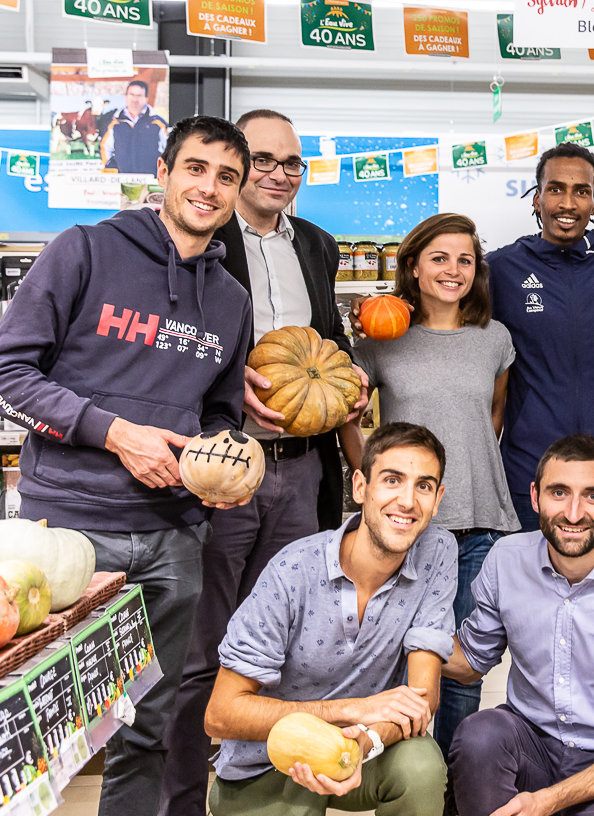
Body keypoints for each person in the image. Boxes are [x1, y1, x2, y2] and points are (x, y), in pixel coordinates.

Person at [0, 115, 254, 816]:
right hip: (69, 531)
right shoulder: (84, 251)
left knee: (148, 724)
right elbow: (10, 372)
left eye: (226, 177)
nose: (209, 188)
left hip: (174, 536)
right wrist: (114, 434)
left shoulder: (230, 300)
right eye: (196, 168)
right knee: (36, 731)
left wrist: (219, 465)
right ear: (163, 173)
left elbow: (220, 414)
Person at [161, 108, 369, 816]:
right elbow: (173, 340)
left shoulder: (316, 243)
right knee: (203, 650)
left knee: (282, 646)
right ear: (237, 167)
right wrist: (227, 379)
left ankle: (260, 797)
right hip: (221, 467)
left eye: (292, 163)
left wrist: (346, 373)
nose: (279, 174)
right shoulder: (202, 235)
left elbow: (328, 335)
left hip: (302, 468)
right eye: (264, 160)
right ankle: (182, 801)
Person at [351, 144, 594, 543]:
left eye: (581, 191)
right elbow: (443, 309)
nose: (567, 202)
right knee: (524, 583)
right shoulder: (503, 268)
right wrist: (377, 310)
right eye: (555, 189)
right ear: (536, 198)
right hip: (528, 474)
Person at [203, 422, 456, 816]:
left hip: (360, 747)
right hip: (271, 761)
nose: (407, 501)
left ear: (437, 499)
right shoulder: (292, 571)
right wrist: (352, 709)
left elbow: (421, 700)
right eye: (392, 480)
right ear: (360, 487)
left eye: (423, 486)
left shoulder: (437, 552)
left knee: (420, 765)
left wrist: (363, 744)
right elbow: (220, 715)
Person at [443, 434, 594, 816]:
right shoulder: (506, 560)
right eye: (559, 493)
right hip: (528, 744)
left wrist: (548, 801)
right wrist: (403, 632)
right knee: (479, 737)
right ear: (535, 496)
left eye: (593, 496)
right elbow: (471, 661)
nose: (573, 513)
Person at [351, 212, 519, 759]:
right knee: (399, 658)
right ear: (414, 267)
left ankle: (453, 782)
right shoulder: (381, 339)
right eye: (439, 258)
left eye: (465, 260)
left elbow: (494, 416)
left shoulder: (494, 339)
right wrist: (370, 485)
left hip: (478, 521)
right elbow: (346, 415)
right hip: (404, 526)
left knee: (463, 665)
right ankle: (406, 774)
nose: (453, 270)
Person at [101, 79, 169, 175]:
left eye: (139, 96)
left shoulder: (158, 123)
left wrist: (161, 172)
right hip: (122, 179)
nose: (135, 99)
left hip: (151, 179)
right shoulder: (114, 123)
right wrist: (111, 168)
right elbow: (105, 148)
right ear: (126, 97)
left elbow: (169, 150)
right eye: (132, 95)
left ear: (146, 98)